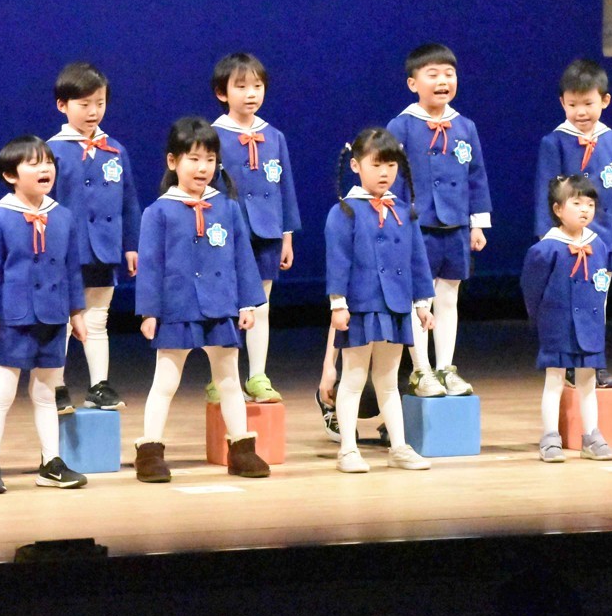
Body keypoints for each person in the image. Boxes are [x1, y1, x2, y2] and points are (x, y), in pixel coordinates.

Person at [132, 117, 270, 483]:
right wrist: (149, 312)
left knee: (229, 380)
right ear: (173, 161)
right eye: (193, 159)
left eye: (209, 159)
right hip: (176, 308)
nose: (202, 167)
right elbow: (150, 266)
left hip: (220, 305)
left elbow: (242, 258)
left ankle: (242, 451)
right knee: (166, 381)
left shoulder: (227, 208)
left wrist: (247, 303)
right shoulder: (158, 211)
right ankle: (150, 453)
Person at [0, 137, 89, 494]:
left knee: (46, 392)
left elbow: (71, 270)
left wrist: (76, 313)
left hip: (53, 317)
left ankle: (51, 462)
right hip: (15, 318)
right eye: (34, 164)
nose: (45, 169)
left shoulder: (63, 216)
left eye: (48, 162)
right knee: (3, 392)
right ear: (11, 175)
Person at [533, 58, 612, 389]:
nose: (581, 112)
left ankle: (594, 363)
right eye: (573, 104)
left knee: (596, 306)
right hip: (564, 242)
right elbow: (545, 189)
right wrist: (548, 236)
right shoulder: (554, 142)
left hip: (602, 242)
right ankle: (568, 363)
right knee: (567, 305)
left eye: (588, 103)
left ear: (605, 100)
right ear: (562, 103)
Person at [325, 128, 437, 473]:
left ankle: (399, 447)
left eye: (391, 165)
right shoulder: (344, 211)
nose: (385, 172)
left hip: (395, 307)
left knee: (388, 381)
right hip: (361, 307)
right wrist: (338, 304)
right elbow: (338, 261)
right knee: (353, 378)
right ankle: (348, 449)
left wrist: (422, 303)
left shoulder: (403, 211)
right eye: (376, 165)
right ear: (356, 166)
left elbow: (417, 260)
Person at [386, 43, 492, 398]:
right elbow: (392, 178)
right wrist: (396, 223)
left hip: (455, 227)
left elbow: (476, 176)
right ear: (413, 83)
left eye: (449, 74)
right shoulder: (401, 125)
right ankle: (421, 370)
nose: (442, 81)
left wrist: (477, 223)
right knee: (420, 301)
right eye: (432, 75)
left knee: (448, 298)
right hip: (418, 227)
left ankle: (446, 367)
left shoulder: (465, 126)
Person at [47, 61, 141, 413]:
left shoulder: (115, 149)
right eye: (84, 104)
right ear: (62, 105)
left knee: (98, 319)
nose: (92, 111)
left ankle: (99, 385)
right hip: (64, 252)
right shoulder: (51, 151)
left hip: (105, 249)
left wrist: (131, 245)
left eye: (99, 103)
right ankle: (56, 387)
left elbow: (129, 200)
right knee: (61, 322)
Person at [209, 52, 300, 404]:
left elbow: (285, 189)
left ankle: (258, 376)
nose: (251, 94)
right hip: (225, 235)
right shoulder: (213, 136)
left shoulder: (274, 136)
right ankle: (221, 379)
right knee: (226, 307)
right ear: (222, 92)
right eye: (241, 86)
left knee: (261, 305)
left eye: (257, 86)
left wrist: (286, 235)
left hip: (267, 234)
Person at [522, 174, 612, 462]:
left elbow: (602, 285)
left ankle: (591, 436)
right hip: (558, 325)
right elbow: (532, 289)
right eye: (576, 203)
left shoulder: (599, 245)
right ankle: (550, 437)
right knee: (555, 380)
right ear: (558, 209)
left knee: (588, 381)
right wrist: (542, 320)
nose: (584, 209)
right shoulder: (545, 248)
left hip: (590, 326)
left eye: (590, 204)